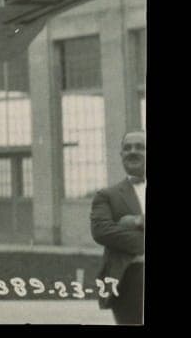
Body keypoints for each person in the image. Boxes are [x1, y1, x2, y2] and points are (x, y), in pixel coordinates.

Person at [90, 130, 145, 325]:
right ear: (121, 155)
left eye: (140, 147)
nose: (133, 151)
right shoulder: (107, 196)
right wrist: (139, 221)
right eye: (127, 148)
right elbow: (101, 231)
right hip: (129, 280)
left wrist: (127, 223)